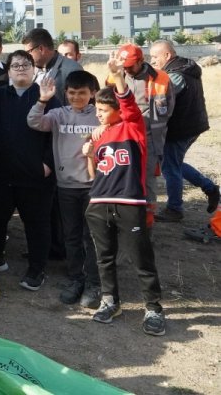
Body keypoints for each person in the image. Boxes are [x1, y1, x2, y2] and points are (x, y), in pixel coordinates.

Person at [82, 53, 165, 336]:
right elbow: (95, 175)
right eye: (97, 111)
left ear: (117, 109)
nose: (99, 115)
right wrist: (90, 154)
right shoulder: (100, 135)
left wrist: (118, 76)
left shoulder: (134, 127)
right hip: (99, 202)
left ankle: (153, 308)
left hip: (129, 202)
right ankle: (110, 300)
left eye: (104, 110)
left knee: (141, 257)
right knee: (103, 257)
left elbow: (129, 104)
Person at [0, 50, 55, 291]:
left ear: (34, 70)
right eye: (15, 64)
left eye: (26, 64)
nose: (21, 67)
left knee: (36, 223)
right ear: (7, 71)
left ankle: (37, 269)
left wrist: (48, 164)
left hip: (35, 174)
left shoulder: (46, 96)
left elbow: (57, 132)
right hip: (0, 172)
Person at [27, 71, 102, 308]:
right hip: (66, 186)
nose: (77, 97)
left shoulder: (100, 117)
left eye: (82, 93)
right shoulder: (58, 114)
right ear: (66, 93)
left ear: (93, 94)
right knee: (71, 236)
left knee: (92, 238)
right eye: (72, 93)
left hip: (94, 187)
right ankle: (75, 279)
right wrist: (42, 100)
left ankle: (93, 282)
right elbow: (34, 122)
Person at [149, 39, 220, 219]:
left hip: (180, 129)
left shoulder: (174, 76)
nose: (152, 61)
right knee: (175, 164)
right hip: (191, 126)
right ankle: (210, 188)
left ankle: (174, 209)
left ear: (167, 55)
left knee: (170, 167)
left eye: (155, 57)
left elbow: (160, 103)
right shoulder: (184, 68)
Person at [107, 43, 173, 212]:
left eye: (130, 66)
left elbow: (169, 109)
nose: (127, 70)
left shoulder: (161, 78)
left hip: (149, 136)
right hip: (124, 134)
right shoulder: (115, 75)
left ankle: (148, 220)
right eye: (125, 66)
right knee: (124, 174)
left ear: (140, 61)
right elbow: (107, 101)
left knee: (148, 177)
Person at [22, 28, 82, 106]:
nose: (26, 57)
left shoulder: (72, 70)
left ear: (41, 49)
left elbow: (77, 109)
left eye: (28, 52)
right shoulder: (33, 69)